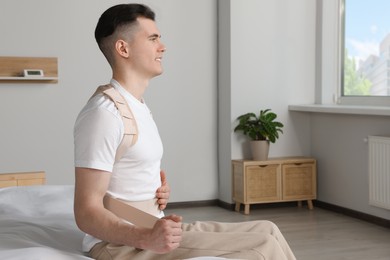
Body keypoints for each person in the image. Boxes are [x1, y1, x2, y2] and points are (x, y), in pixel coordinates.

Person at [73, 3, 296, 260]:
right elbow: (86, 211)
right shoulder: (104, 114)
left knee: (268, 229)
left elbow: (125, 176)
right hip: (119, 244)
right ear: (123, 48)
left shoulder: (136, 106)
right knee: (261, 247)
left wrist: (153, 190)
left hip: (151, 224)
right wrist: (146, 237)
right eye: (153, 38)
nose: (163, 46)